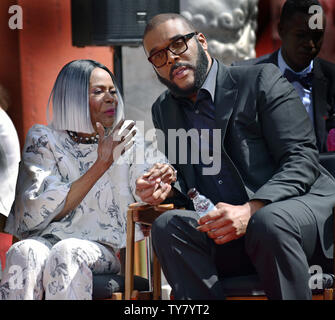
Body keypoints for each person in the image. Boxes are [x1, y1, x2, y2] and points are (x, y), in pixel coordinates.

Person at [139, 13, 335, 300]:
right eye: (158, 55)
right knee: (168, 226)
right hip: (230, 235)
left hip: (294, 222)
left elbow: (301, 160)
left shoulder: (259, 80)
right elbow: (189, 188)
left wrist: (251, 210)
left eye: (178, 44)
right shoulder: (164, 110)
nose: (170, 58)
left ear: (201, 41)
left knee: (268, 221)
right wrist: (164, 190)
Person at [0, 59, 176, 300]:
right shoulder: (44, 139)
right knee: (24, 251)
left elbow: (149, 178)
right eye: (98, 91)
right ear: (72, 97)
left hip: (98, 249)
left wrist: (158, 182)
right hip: (46, 240)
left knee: (67, 251)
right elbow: (35, 209)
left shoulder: (126, 141)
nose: (110, 98)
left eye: (113, 91)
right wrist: (101, 164)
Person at [232, 0, 335, 153]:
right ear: (281, 30)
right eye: (301, 35)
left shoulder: (332, 77)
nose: (310, 44)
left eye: (317, 36)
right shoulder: (243, 75)